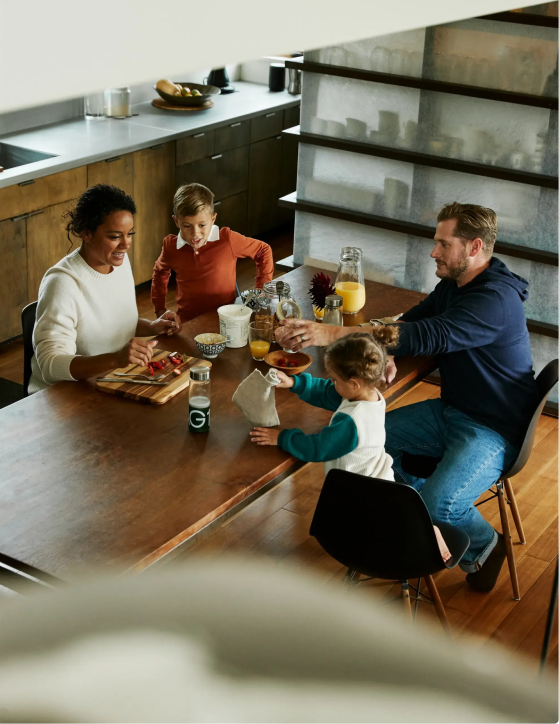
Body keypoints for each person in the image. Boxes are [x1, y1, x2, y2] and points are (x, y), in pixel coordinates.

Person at [275, 202, 540, 590]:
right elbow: (414, 322)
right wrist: (387, 350)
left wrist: (330, 333)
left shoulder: (494, 300)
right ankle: (417, 522)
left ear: (474, 247)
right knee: (374, 444)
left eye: (442, 243)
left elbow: (429, 336)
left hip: (493, 428)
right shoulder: (456, 285)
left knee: (440, 503)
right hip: (453, 410)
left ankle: (484, 545)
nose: (433, 252)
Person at [251, 329, 451, 562]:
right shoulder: (369, 395)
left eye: (335, 379)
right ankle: (423, 528)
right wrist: (294, 382)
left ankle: (425, 534)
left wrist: (282, 438)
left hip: (363, 491)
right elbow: (329, 393)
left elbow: (319, 447)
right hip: (380, 479)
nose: (332, 383)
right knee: (396, 515)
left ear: (354, 383)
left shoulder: (351, 422)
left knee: (385, 528)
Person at [29, 184, 181, 394]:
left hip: (108, 382)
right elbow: (51, 366)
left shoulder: (118, 262)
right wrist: (116, 359)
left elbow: (110, 324)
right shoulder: (62, 283)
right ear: (87, 234)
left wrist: (152, 327)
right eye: (115, 236)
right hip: (62, 400)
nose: (126, 244)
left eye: (129, 234)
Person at [151, 183, 274, 323]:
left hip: (228, 319)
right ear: (176, 222)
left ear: (213, 219)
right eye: (187, 226)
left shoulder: (227, 239)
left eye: (202, 225)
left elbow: (263, 250)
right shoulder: (170, 246)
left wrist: (261, 289)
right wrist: (160, 309)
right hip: (188, 322)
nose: (195, 233)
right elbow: (159, 273)